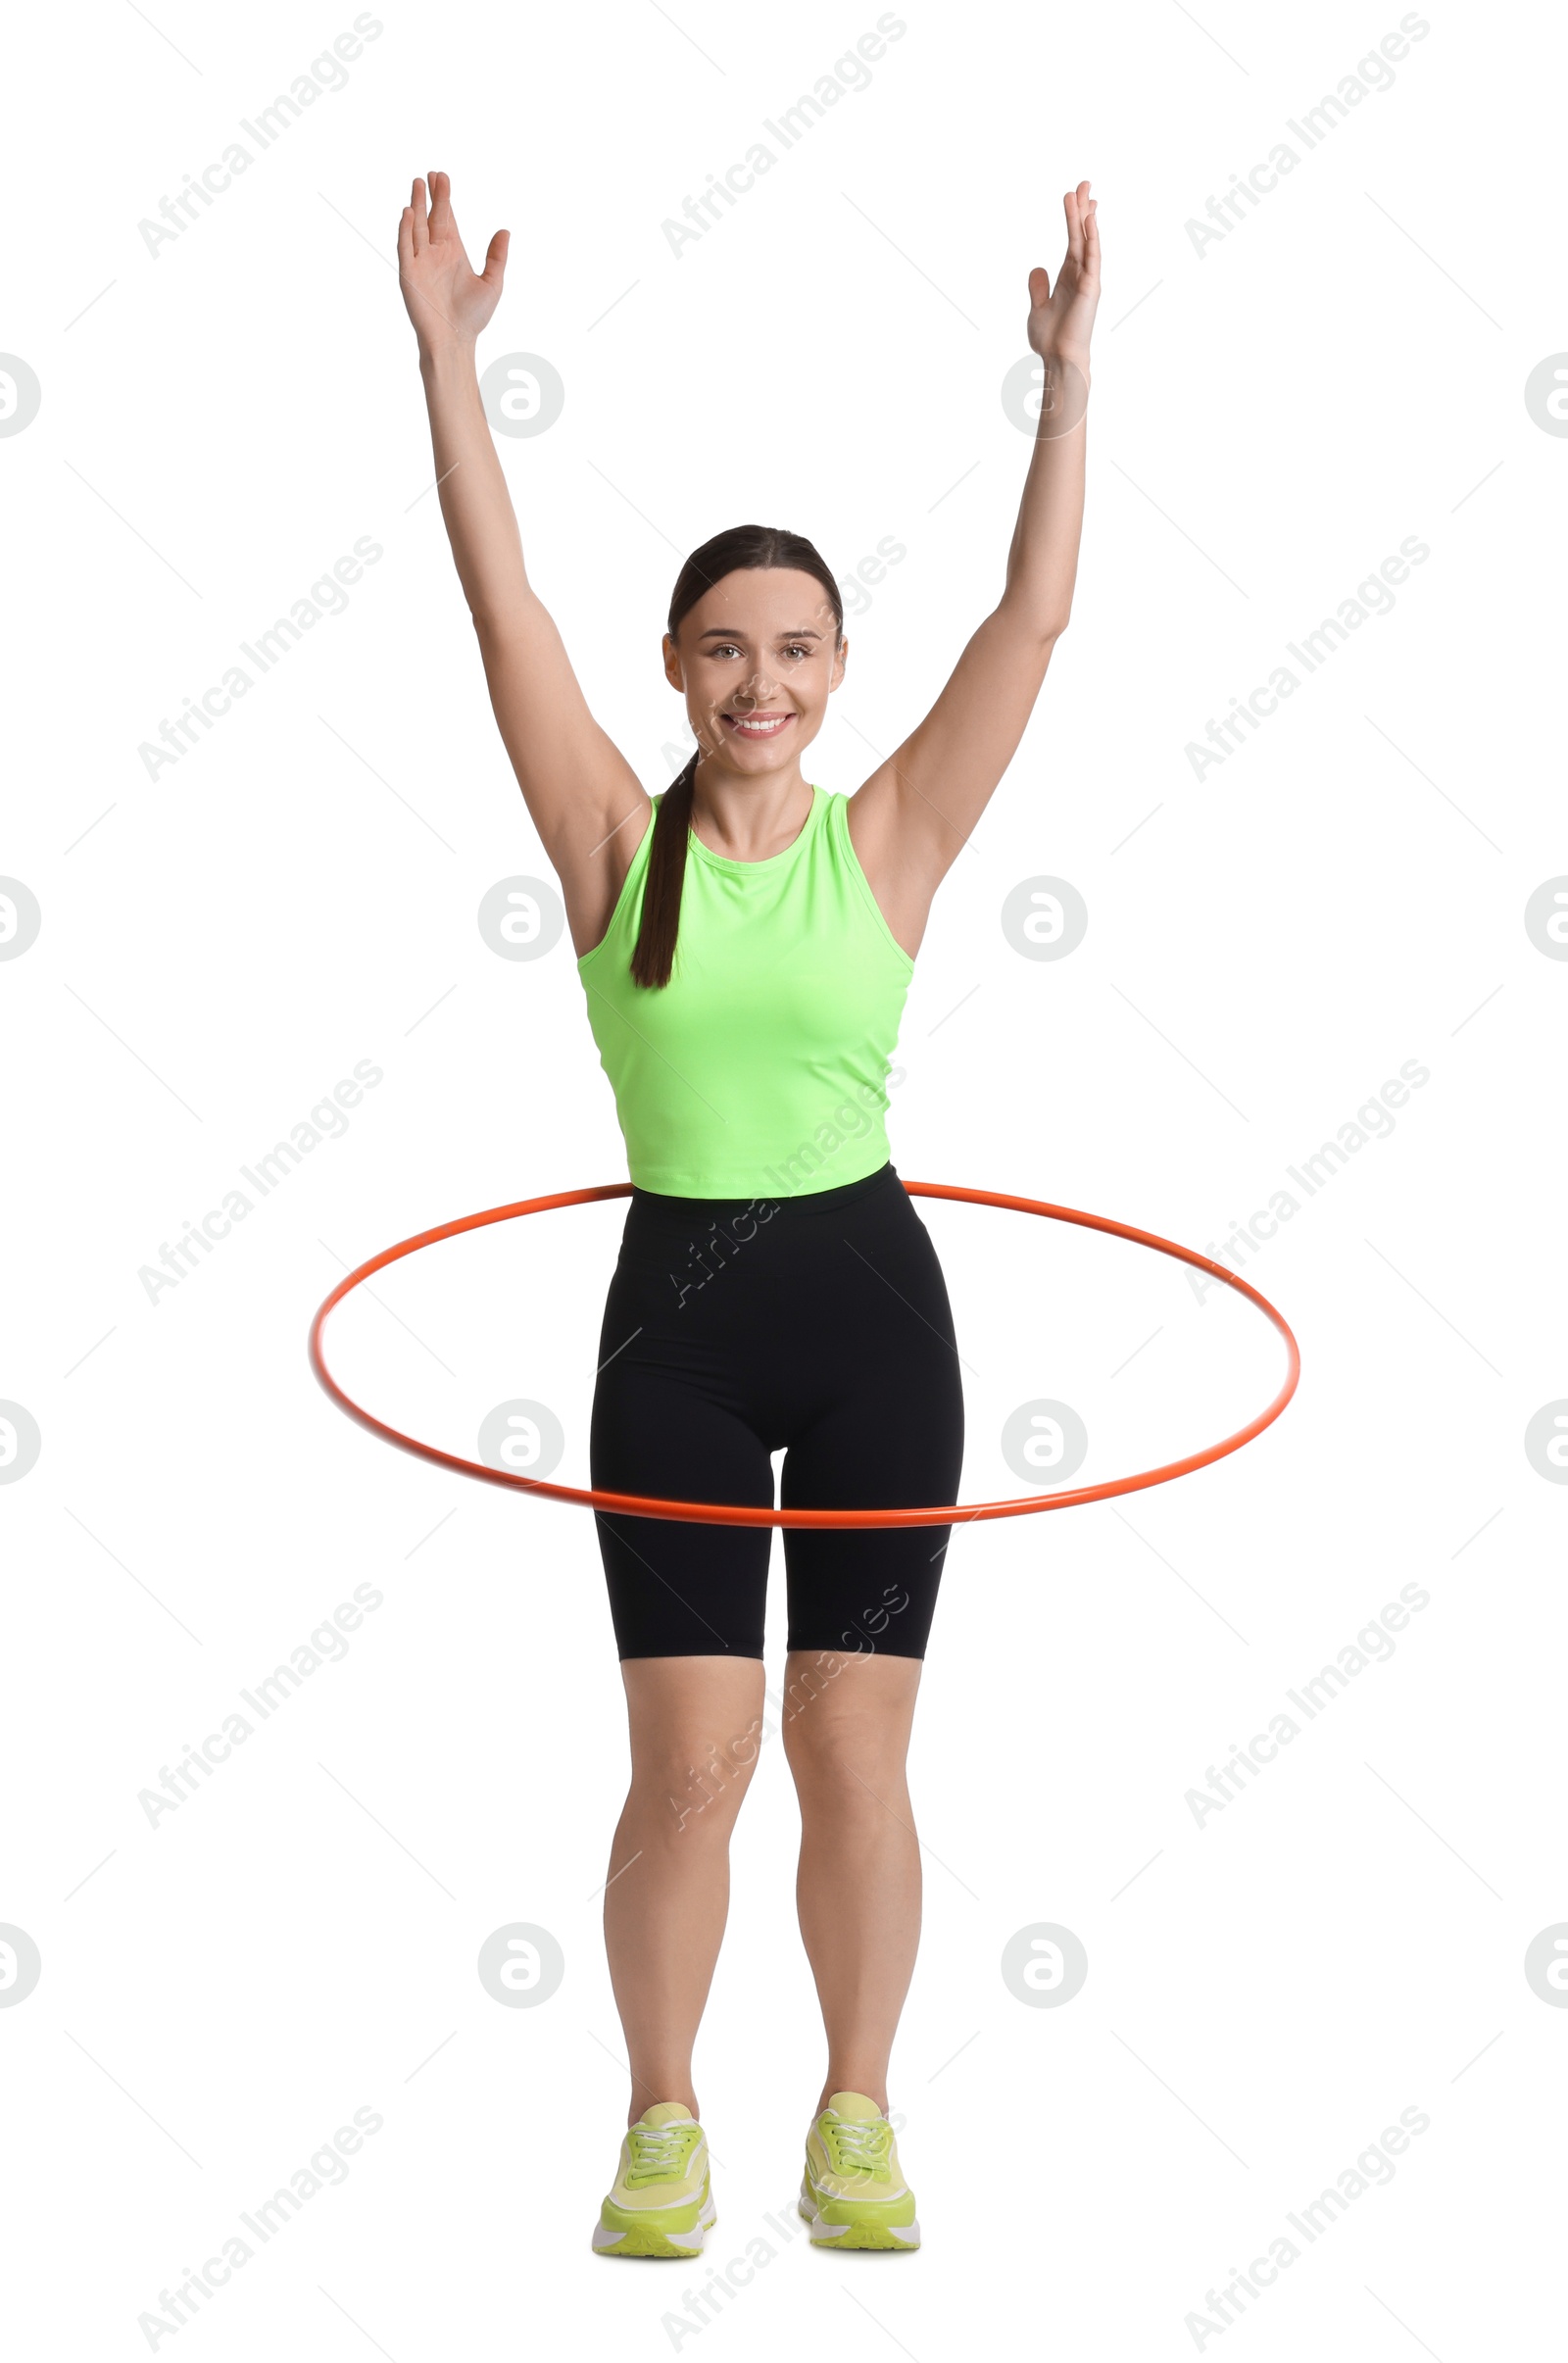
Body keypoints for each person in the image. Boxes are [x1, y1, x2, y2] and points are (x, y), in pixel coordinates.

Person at [397, 167, 1099, 2255]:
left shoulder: (886, 840)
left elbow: (1032, 622)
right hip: (672, 1340)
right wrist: (449, 359)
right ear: (681, 669)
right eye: (725, 649)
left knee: (852, 1760)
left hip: (872, 1311)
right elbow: (499, 610)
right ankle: (662, 2121)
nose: (760, 681)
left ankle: (859, 2118)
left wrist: (1063, 386)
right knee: (691, 1771)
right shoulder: (617, 843)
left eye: (794, 648)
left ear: (833, 665)